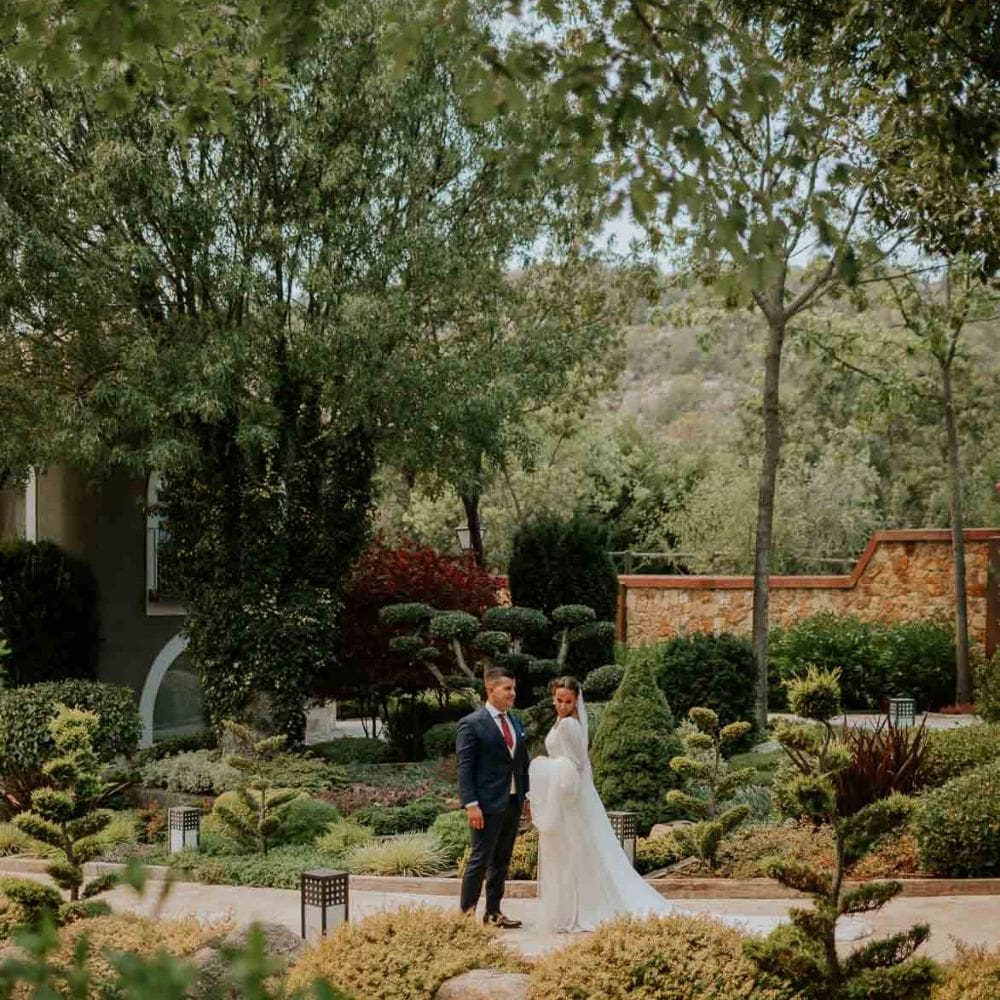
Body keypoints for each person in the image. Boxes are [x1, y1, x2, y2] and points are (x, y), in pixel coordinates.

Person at [528, 676, 782, 935]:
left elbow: (576, 766)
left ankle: (582, 907)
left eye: (567, 701)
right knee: (577, 854)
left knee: (579, 853)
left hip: (570, 798)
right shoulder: (561, 721)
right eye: (558, 700)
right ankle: (575, 905)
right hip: (566, 797)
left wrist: (545, 768)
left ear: (576, 701)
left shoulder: (570, 725)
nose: (562, 705)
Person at [456, 667, 531, 928]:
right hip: (485, 805)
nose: (513, 693)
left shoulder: (515, 721)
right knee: (480, 860)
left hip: (511, 801)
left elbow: (521, 762)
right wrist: (471, 804)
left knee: (502, 860)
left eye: (513, 688)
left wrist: (527, 797)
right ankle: (466, 917)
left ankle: (493, 913)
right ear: (490, 690)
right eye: (507, 688)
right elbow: (464, 768)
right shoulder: (472, 723)